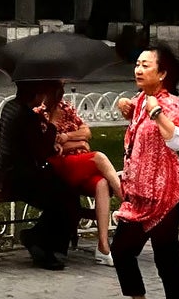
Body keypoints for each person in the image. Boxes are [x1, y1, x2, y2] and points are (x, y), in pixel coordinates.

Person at [111, 43, 179, 299]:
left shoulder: (167, 103)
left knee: (167, 261)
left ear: (163, 73)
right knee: (120, 250)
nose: (139, 69)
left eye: (146, 65)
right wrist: (125, 106)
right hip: (140, 197)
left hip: (166, 197)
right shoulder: (141, 99)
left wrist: (157, 114)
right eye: (138, 64)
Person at [0, 79, 82, 269]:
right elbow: (41, 150)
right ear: (34, 94)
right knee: (66, 201)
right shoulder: (25, 116)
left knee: (68, 196)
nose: (43, 98)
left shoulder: (11, 107)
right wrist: (52, 123)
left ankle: (42, 243)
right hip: (21, 178)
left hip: (16, 174)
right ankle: (44, 245)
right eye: (42, 93)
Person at [45, 90, 123, 259]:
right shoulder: (40, 114)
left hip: (81, 163)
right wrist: (78, 143)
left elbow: (86, 132)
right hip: (62, 166)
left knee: (101, 183)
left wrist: (67, 137)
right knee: (99, 157)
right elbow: (50, 148)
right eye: (56, 89)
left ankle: (103, 246)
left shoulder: (66, 108)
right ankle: (127, 201)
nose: (60, 94)